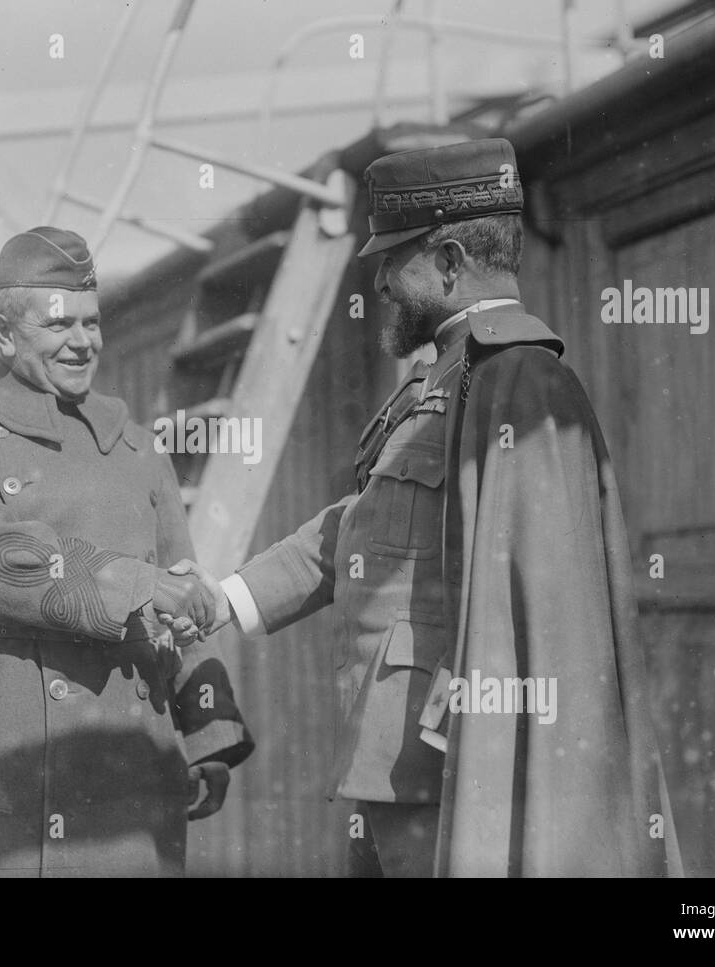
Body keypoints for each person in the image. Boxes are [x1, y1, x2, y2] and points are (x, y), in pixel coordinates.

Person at [176, 139, 682, 877]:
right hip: (391, 766)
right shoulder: (440, 379)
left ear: (449, 262)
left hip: (451, 771)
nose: (379, 279)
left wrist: (471, 743)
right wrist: (223, 599)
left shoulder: (519, 379)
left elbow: (546, 607)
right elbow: (362, 522)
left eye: (394, 258)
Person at [0, 226, 253, 877]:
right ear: (3, 334)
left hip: (121, 754)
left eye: (92, 322)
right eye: (59, 325)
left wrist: (209, 733)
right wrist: (136, 583)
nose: (83, 342)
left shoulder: (138, 446)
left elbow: (184, 595)